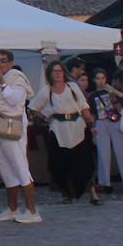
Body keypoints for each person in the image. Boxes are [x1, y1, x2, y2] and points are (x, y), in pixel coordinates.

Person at [31, 59, 100, 205]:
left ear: (64, 72)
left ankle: (93, 194)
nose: (57, 74)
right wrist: (45, 118)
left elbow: (84, 107)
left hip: (77, 127)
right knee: (61, 164)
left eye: (59, 71)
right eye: (54, 71)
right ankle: (65, 194)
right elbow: (33, 107)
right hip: (58, 129)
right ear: (50, 74)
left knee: (84, 162)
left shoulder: (73, 87)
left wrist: (91, 125)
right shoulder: (47, 91)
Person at [0, 51, 41, 223]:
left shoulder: (16, 78)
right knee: (6, 169)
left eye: (3, 61)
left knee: (19, 166)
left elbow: (15, 99)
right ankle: (12, 208)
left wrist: (2, 83)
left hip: (11, 128)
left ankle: (32, 210)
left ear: (10, 63)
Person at [87, 69, 123, 192]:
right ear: (94, 80)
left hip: (115, 121)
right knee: (103, 153)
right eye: (98, 78)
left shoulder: (113, 91)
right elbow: (92, 113)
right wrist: (92, 126)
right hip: (101, 122)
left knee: (122, 152)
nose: (101, 81)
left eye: (102, 78)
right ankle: (105, 183)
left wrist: (113, 99)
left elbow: (121, 107)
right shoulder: (91, 96)